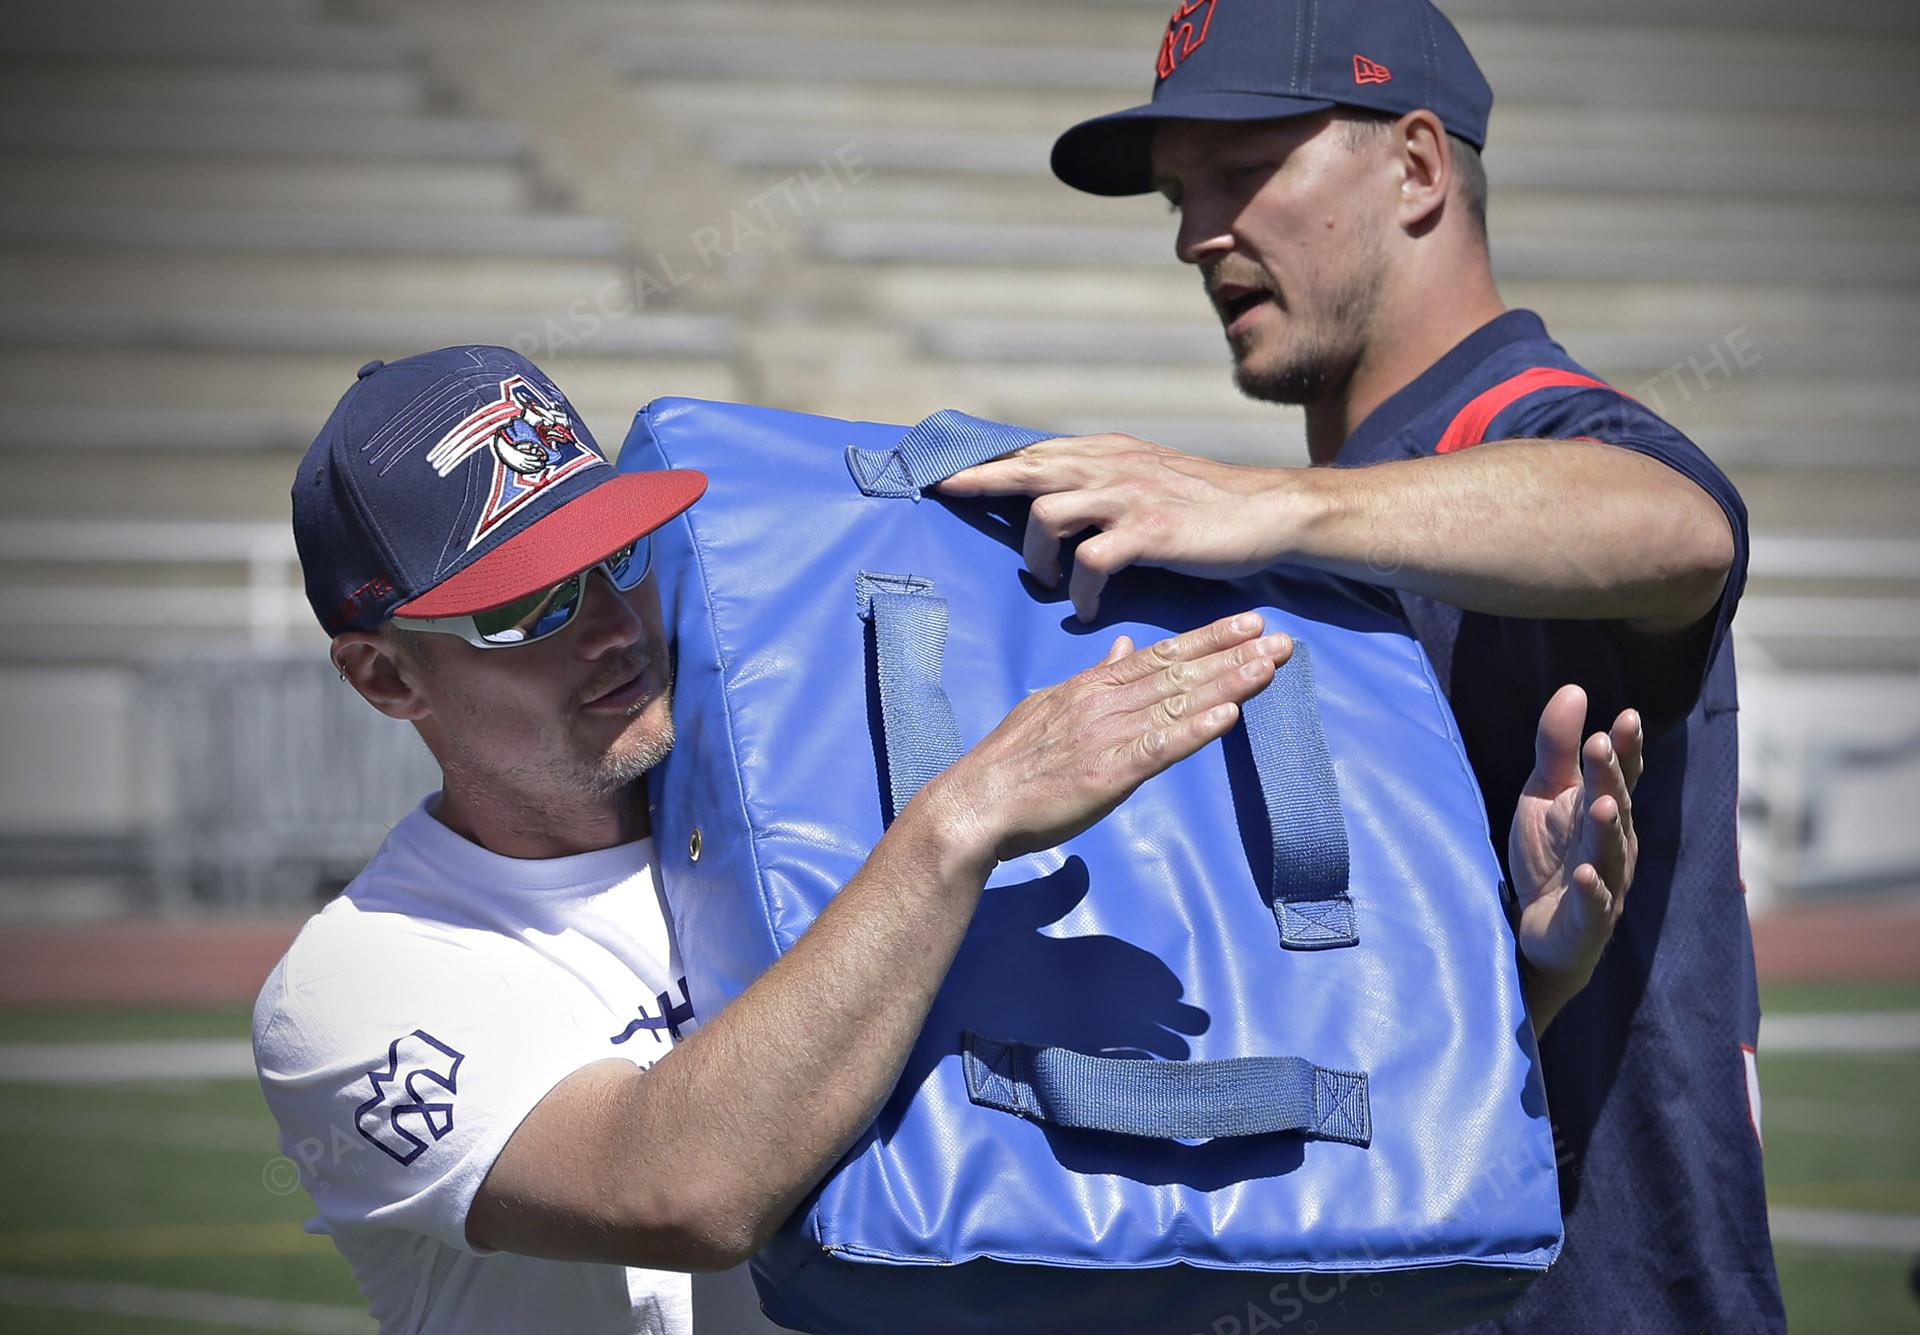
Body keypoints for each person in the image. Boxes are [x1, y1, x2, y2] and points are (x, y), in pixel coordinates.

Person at [255, 345, 1640, 1335]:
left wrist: (1515, 984)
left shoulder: (800, 796)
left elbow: (1190, 1121)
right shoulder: (362, 982)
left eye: (615, 557)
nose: (613, 625)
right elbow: (686, 1190)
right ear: (384, 676)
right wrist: (961, 818)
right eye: (528, 607)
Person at [938, 1, 1782, 1330]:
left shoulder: (1519, 428)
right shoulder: (1359, 495)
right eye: (1177, 194)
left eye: (1242, 170)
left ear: (1418, 167)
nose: (1195, 233)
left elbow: (1680, 523)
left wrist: (1274, 503)